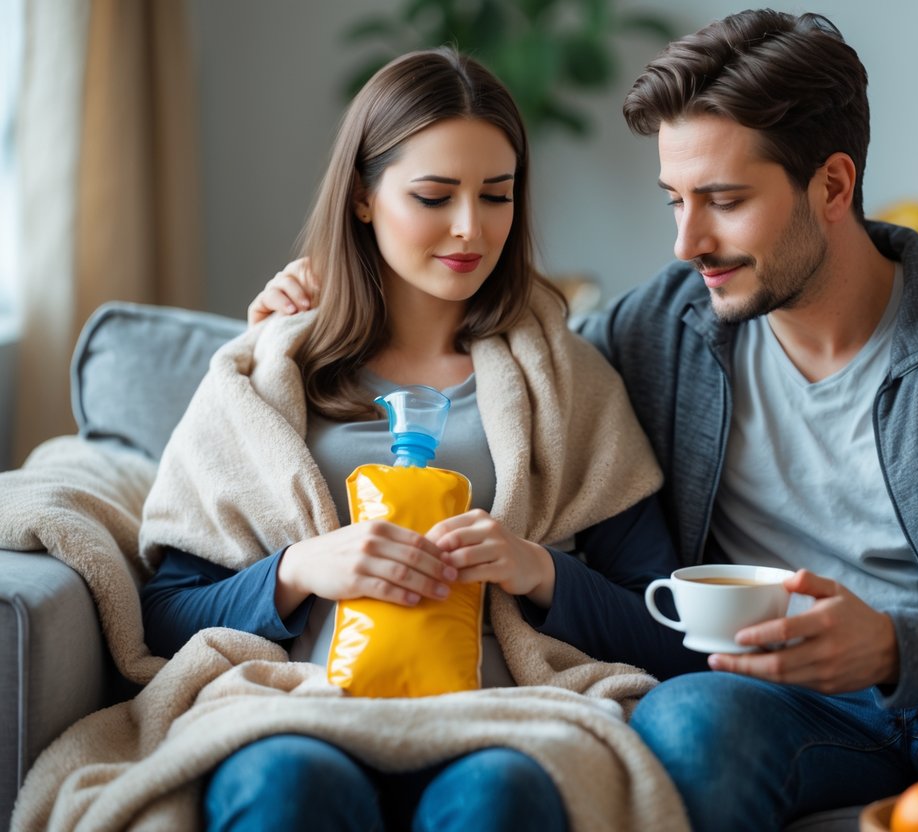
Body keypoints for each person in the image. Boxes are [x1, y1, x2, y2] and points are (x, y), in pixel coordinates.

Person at [251, 10, 918, 830]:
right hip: (770, 700)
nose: (687, 244)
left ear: (832, 185)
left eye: (722, 201)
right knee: (685, 719)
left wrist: (888, 646)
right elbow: (514, 356)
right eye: (674, 201)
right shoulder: (664, 328)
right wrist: (332, 288)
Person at [140, 47, 703, 832]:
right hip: (300, 707)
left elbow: (666, 629)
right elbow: (163, 615)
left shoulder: (569, 382)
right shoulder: (266, 377)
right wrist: (301, 569)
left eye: (496, 196)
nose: (471, 228)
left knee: (497, 799)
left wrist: (535, 569)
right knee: (287, 786)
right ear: (364, 197)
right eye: (434, 196)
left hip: (501, 716)